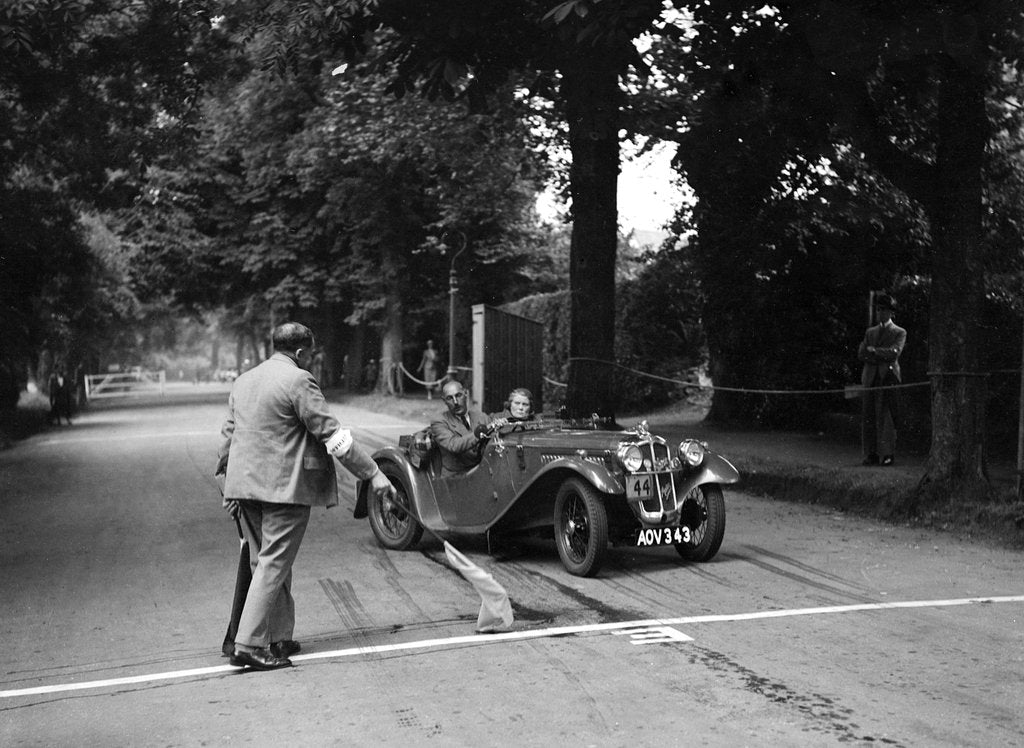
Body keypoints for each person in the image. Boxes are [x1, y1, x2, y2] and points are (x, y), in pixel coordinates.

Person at [215, 322, 396, 671]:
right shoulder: (298, 380)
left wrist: (227, 484)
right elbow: (333, 436)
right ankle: (249, 644)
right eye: (309, 354)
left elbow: (228, 437)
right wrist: (372, 473)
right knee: (274, 563)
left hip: (244, 486)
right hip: (284, 488)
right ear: (300, 352)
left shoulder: (243, 381)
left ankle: (278, 637)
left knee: (264, 561)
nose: (310, 359)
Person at [858, 294, 907, 466]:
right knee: (868, 415)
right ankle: (870, 453)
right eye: (879, 310)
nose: (880, 313)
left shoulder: (899, 332)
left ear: (892, 313)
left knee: (886, 416)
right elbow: (861, 353)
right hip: (871, 377)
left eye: (884, 310)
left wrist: (875, 352)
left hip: (888, 377)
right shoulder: (870, 332)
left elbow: (895, 352)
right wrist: (878, 354)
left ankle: (887, 454)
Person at [429, 380, 504, 476]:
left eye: (458, 395)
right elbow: (454, 445)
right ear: (444, 401)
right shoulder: (439, 421)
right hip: (457, 476)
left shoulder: (481, 416)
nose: (455, 402)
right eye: (449, 398)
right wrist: (481, 431)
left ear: (466, 394)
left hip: (483, 472)